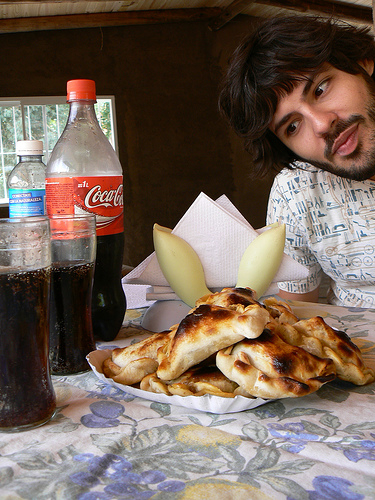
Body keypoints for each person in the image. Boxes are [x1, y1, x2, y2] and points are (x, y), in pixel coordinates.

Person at [219, 14, 375, 308]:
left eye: (320, 89)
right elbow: (297, 319)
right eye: (292, 126)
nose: (321, 125)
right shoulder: (297, 191)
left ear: (362, 63)